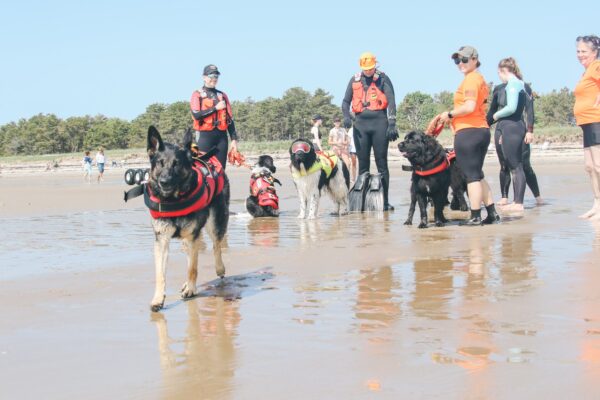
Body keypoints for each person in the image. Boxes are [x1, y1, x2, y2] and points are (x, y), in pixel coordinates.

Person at [437, 46, 500, 225]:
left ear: (474, 59)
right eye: (457, 61)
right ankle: (492, 213)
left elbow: (470, 107)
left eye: (464, 60)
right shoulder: (478, 78)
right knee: (477, 175)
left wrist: (449, 114)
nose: (460, 64)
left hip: (469, 132)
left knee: (471, 177)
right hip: (480, 130)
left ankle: (475, 216)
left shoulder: (472, 80)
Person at [341, 52, 398, 211]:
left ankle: (385, 201)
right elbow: (345, 102)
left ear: (375, 65)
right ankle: (362, 202)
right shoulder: (355, 79)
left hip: (380, 123)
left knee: (382, 164)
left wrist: (392, 122)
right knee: (363, 166)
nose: (368, 71)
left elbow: (391, 100)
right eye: (365, 69)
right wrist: (346, 116)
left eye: (370, 68)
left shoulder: (383, 78)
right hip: (360, 126)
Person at [487, 61, 542, 208]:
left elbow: (529, 110)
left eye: (499, 73)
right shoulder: (498, 89)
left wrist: (530, 130)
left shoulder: (523, 86)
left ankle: (536, 197)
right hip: (501, 128)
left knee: (523, 165)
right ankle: (505, 197)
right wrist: (484, 125)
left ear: (504, 71)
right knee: (504, 164)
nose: (499, 77)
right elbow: (492, 111)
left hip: (516, 127)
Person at [190, 64, 238, 169]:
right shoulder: (197, 95)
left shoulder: (222, 95)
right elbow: (196, 115)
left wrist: (234, 140)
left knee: (220, 172)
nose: (214, 79)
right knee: (202, 170)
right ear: (204, 77)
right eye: (211, 76)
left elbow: (229, 120)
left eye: (216, 76)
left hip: (222, 139)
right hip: (204, 137)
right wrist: (215, 108)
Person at [574, 35, 600, 219]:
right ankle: (597, 203)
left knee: (598, 165)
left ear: (595, 52)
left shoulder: (597, 66)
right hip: (586, 123)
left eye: (584, 51)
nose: (580, 54)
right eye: (578, 51)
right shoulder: (587, 71)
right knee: (590, 166)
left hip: (596, 121)